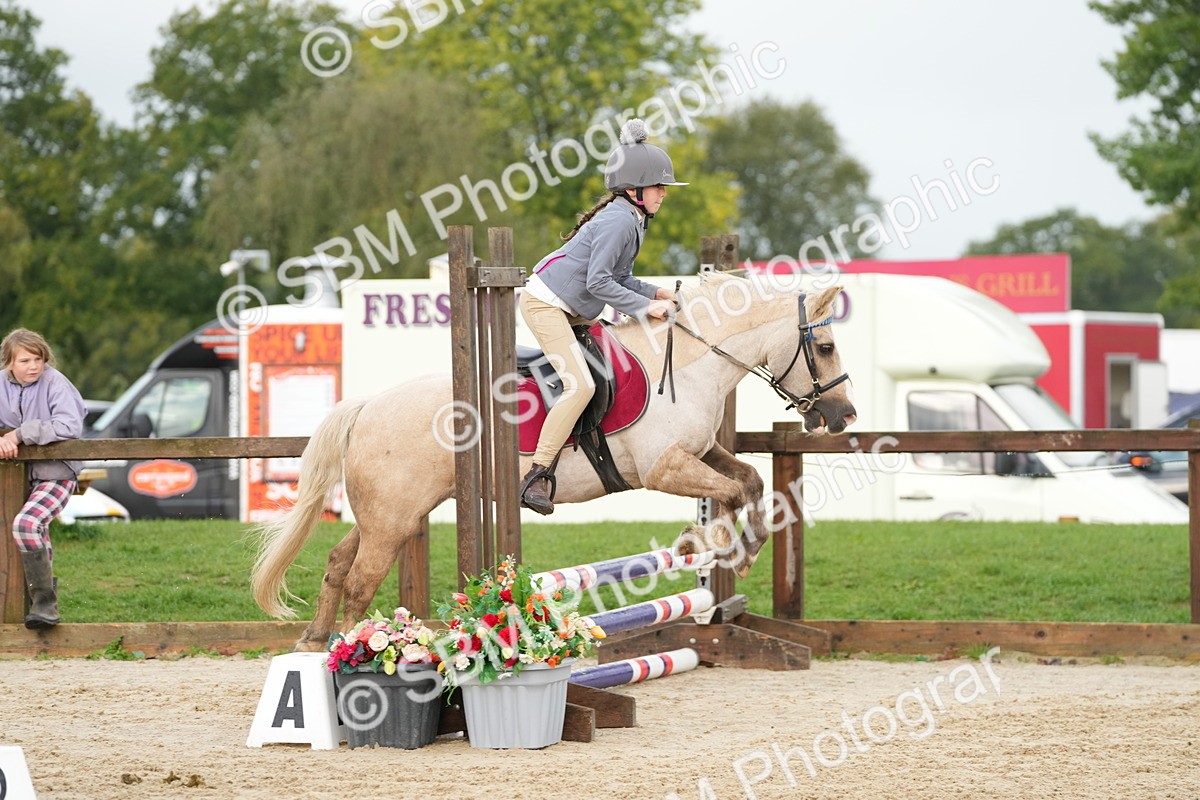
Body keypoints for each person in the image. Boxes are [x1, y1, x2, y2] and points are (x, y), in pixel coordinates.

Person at [518, 119, 685, 515]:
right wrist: (647, 308)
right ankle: (536, 475)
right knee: (580, 387)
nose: (664, 192)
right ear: (634, 189)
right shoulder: (619, 220)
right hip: (548, 305)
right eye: (659, 186)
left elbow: (620, 278)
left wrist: (657, 292)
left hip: (571, 307)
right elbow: (598, 283)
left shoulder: (632, 218)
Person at [0, 328, 86, 629]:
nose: (33, 366)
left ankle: (44, 604)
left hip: (57, 472)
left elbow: (69, 425)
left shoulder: (55, 382)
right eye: (25, 360)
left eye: (38, 359)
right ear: (9, 362)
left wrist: (20, 434)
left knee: (27, 524)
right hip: (16, 475)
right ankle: (41, 611)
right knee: (30, 530)